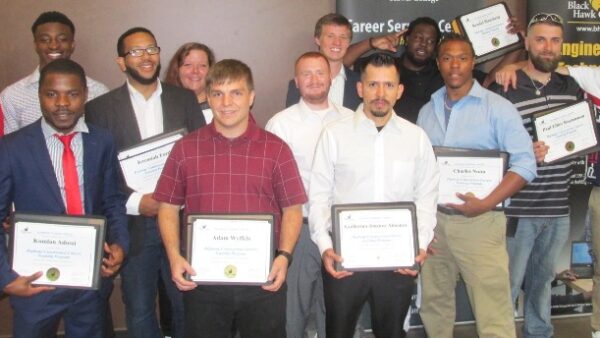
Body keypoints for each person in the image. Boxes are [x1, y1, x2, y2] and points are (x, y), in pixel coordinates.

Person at [155, 59, 306, 338]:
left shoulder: (276, 149)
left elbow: (293, 209)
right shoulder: (185, 148)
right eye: (218, 93)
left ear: (251, 97)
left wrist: (284, 256)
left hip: (263, 279)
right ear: (208, 98)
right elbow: (167, 207)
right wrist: (174, 256)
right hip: (203, 281)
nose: (226, 102)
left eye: (236, 92)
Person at [85, 27, 205, 338]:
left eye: (151, 49)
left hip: (180, 221)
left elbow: (200, 157)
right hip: (133, 223)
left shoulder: (185, 100)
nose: (146, 56)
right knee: (138, 308)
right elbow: (99, 171)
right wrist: (139, 202)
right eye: (136, 51)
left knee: (186, 304)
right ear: (121, 62)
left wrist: (171, 199)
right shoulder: (99, 109)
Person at [308, 52, 438, 338]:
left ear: (399, 90)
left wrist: (420, 243)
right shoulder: (334, 134)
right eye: (373, 85)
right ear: (360, 88)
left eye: (388, 85)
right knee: (338, 332)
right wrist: (325, 246)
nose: (380, 93)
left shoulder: (416, 138)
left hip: (397, 261)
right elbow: (319, 195)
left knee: (391, 333)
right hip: (345, 258)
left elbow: (426, 197)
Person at [417, 34, 537, 338]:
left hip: (482, 223)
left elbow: (525, 165)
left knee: (492, 310)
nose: (454, 65)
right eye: (447, 57)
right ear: (438, 62)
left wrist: (485, 203)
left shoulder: (499, 108)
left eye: (462, 58)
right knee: (434, 303)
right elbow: (419, 170)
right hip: (435, 226)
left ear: (473, 62)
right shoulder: (426, 111)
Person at [0, 58, 129, 338]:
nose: (62, 103)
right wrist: (6, 279)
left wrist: (120, 244)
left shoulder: (102, 141)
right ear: (39, 96)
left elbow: (113, 200)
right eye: (51, 94)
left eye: (72, 94)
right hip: (34, 282)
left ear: (85, 95)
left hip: (89, 279)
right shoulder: (12, 149)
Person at [489, 13, 583, 338]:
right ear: (527, 43)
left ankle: (539, 333)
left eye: (555, 40)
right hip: (518, 210)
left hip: (558, 209)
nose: (548, 47)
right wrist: (524, 149)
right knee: (508, 285)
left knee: (542, 284)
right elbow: (490, 145)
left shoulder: (570, 87)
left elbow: (581, 137)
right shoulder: (506, 86)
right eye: (540, 39)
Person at [266, 51, 353, 338]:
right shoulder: (280, 124)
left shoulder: (352, 119)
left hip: (342, 229)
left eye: (320, 73)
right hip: (299, 230)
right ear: (296, 81)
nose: (314, 80)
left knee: (337, 309)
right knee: (295, 310)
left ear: (331, 77)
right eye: (307, 74)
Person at [343, 17, 522, 123]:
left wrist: (517, 43)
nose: (424, 44)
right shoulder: (388, 67)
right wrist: (372, 43)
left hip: (438, 148)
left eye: (430, 41)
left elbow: (490, 79)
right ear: (407, 38)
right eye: (419, 38)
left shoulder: (445, 70)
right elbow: (343, 62)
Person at [0, 11, 109, 135]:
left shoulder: (99, 92)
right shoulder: (12, 96)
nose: (53, 45)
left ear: (72, 44)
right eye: (45, 40)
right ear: (36, 45)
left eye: (62, 39)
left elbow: (104, 141)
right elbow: (10, 148)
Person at [285, 13, 361, 110]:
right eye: (330, 36)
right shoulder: (300, 84)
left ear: (349, 42)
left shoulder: (360, 83)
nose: (337, 43)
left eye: (343, 37)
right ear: (317, 40)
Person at [165, 42, 216, 123]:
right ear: (177, 70)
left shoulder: (222, 110)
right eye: (188, 65)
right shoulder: (164, 108)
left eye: (202, 65)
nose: (195, 71)